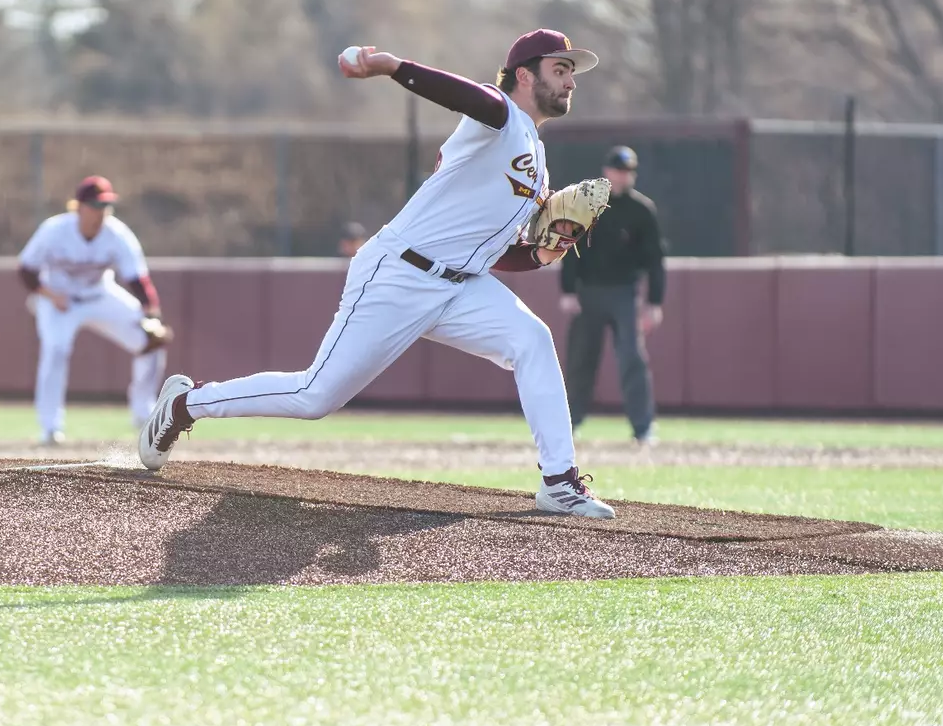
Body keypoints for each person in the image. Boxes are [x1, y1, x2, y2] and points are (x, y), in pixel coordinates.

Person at [136, 29, 617, 520]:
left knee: (532, 339)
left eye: (571, 73)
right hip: (399, 274)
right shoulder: (500, 115)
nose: (570, 82)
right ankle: (187, 404)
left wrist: (539, 256)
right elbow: (469, 96)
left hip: (461, 287)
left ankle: (559, 482)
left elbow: (492, 252)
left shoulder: (537, 162)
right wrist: (393, 67)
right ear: (524, 75)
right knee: (314, 396)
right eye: (560, 69)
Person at [18, 175, 170, 446]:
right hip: (59, 298)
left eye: (105, 206)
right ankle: (50, 427)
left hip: (100, 295)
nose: (100, 212)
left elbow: (138, 279)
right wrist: (50, 295)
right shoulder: (54, 230)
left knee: (152, 341)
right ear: (79, 207)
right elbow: (26, 271)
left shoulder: (117, 234)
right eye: (95, 206)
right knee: (55, 350)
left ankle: (143, 413)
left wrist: (151, 312)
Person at [558, 145, 666, 444]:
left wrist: (655, 301)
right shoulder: (587, 206)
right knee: (581, 360)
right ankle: (570, 423)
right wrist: (568, 290)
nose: (622, 177)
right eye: (618, 171)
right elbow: (570, 250)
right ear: (606, 172)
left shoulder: (642, 210)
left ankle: (643, 427)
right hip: (588, 291)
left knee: (632, 357)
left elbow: (655, 259)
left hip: (624, 293)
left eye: (627, 172)